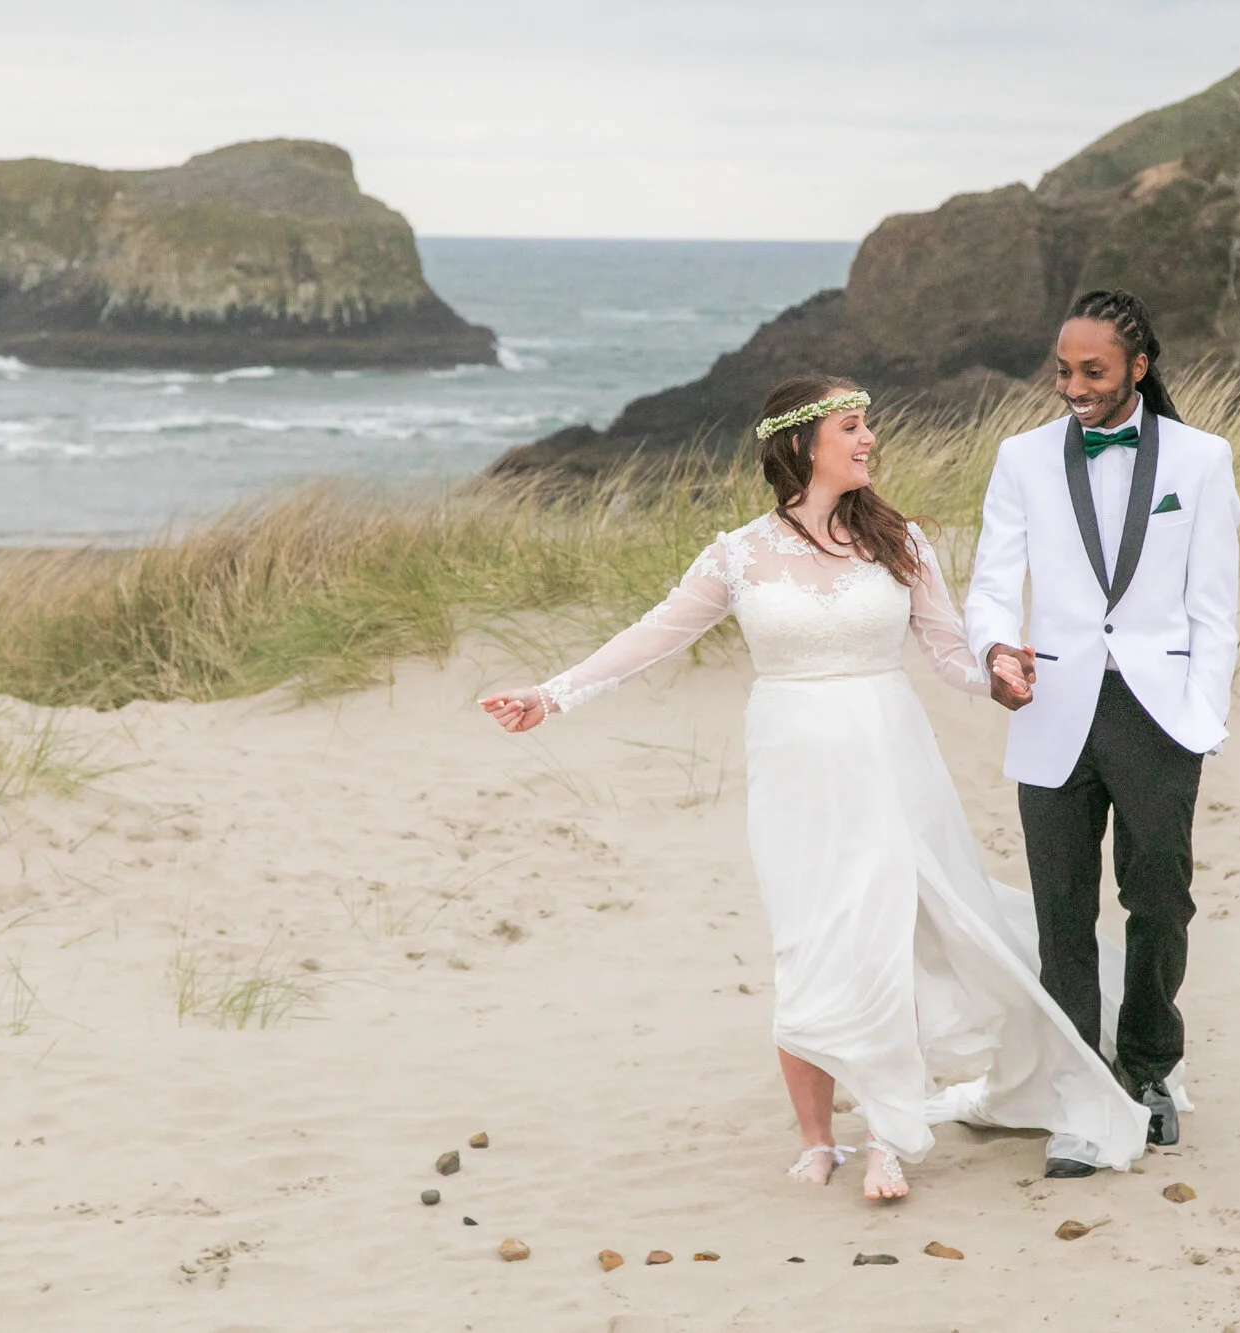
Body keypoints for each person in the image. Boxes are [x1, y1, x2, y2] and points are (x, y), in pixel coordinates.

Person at [478, 375, 1150, 1203]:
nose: (869, 438)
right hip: (795, 769)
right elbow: (651, 635)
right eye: (851, 426)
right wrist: (552, 693)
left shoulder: (899, 540)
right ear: (800, 445)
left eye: (868, 425)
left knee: (884, 938)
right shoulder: (738, 554)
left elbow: (947, 653)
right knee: (808, 940)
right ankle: (816, 1136)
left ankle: (888, 1136)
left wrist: (997, 671)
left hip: (891, 759)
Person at [965, 290, 1240, 1178]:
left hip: (1157, 713)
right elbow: (992, 583)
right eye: (1062, 369)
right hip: (1050, 704)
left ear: (1137, 368)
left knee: (1160, 900)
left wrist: (1201, 716)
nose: (1072, 386)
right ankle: (1081, 1090)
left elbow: (1215, 607)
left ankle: (1152, 1066)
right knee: (1062, 914)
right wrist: (995, 652)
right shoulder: (1020, 459)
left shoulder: (1202, 460)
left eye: (1092, 371)